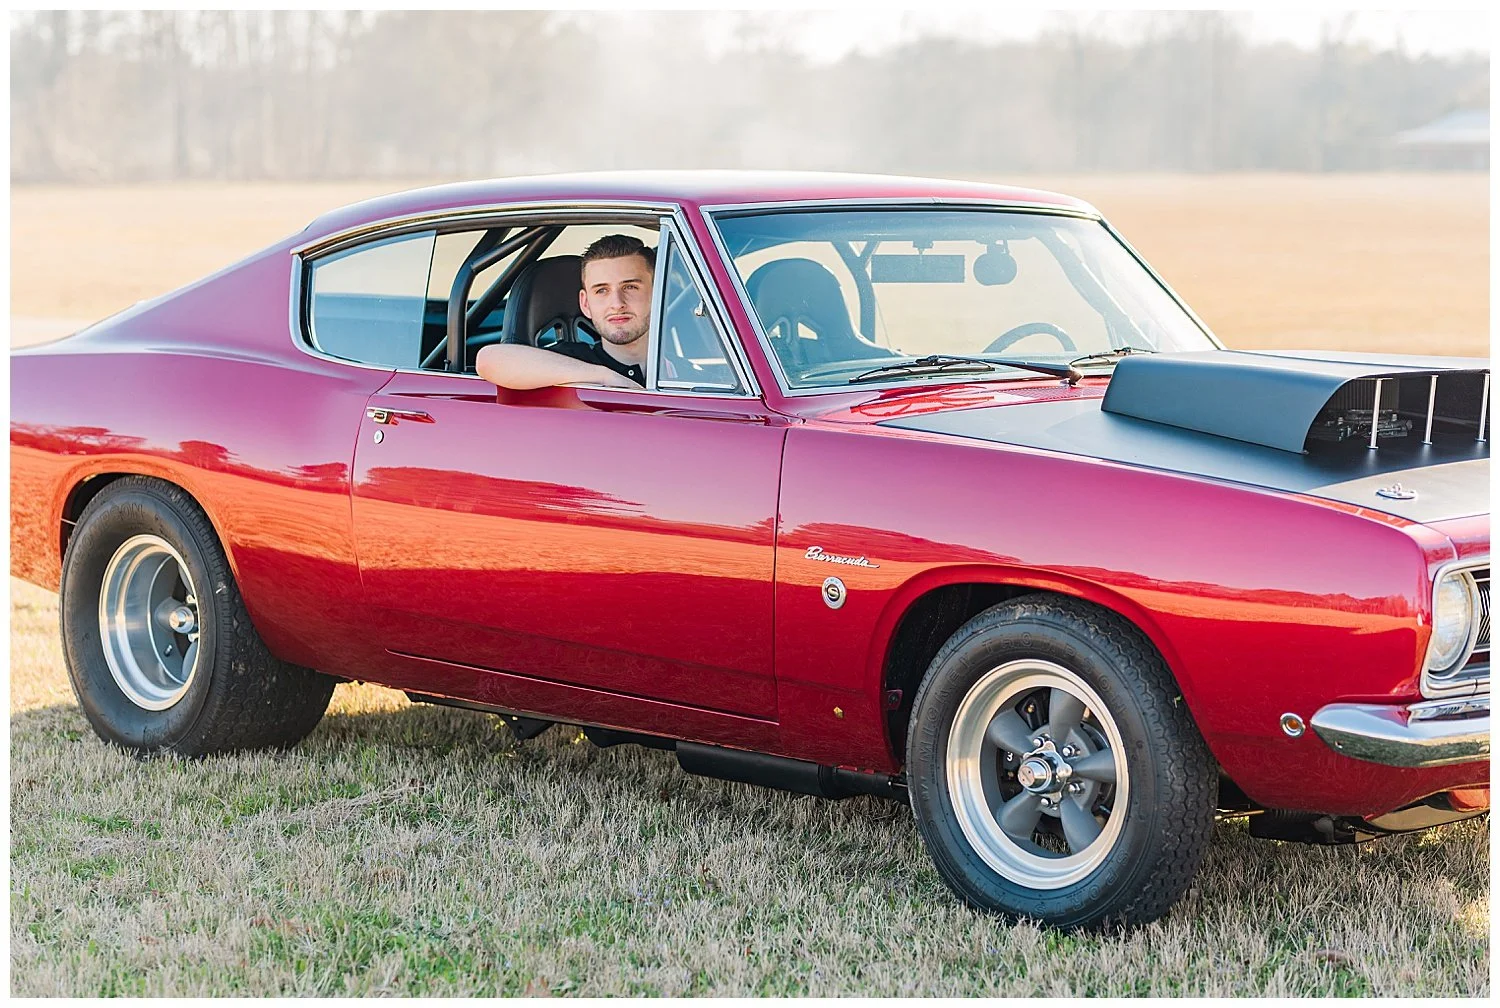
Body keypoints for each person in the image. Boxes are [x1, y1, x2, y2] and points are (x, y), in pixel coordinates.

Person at [475, 234, 654, 389]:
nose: (617, 304)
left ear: (659, 292)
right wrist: (604, 377)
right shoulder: (569, 362)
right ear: (585, 303)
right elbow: (488, 360)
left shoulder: (679, 368)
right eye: (601, 290)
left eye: (630, 287)